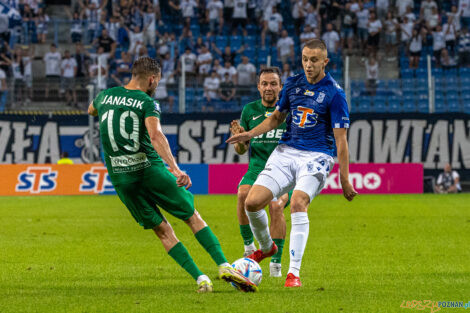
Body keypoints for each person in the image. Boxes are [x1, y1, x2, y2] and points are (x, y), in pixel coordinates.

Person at [88, 57, 257, 293]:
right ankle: (224, 265)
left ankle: (201, 279)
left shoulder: (105, 96)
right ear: (151, 79)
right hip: (149, 170)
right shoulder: (146, 102)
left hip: (121, 178)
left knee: (163, 231)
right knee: (191, 215)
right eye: (156, 81)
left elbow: (91, 110)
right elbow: (156, 135)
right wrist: (176, 169)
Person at [226, 39, 357, 287]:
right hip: (286, 152)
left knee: (297, 202)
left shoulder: (335, 94)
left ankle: (293, 273)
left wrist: (344, 178)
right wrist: (249, 134)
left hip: (317, 156)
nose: (309, 64)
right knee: (251, 203)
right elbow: (276, 118)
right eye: (305, 59)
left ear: (325, 62)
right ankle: (266, 248)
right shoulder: (294, 84)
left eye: (314, 60)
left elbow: (341, 140)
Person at [230, 67, 291, 277]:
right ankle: (248, 247)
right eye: (264, 83)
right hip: (257, 168)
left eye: (273, 83)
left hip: (284, 170)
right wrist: (240, 139)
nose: (268, 87)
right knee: (242, 194)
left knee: (275, 206)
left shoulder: (288, 111)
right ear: (258, 87)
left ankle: (275, 262)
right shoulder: (249, 110)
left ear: (280, 87)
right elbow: (242, 150)